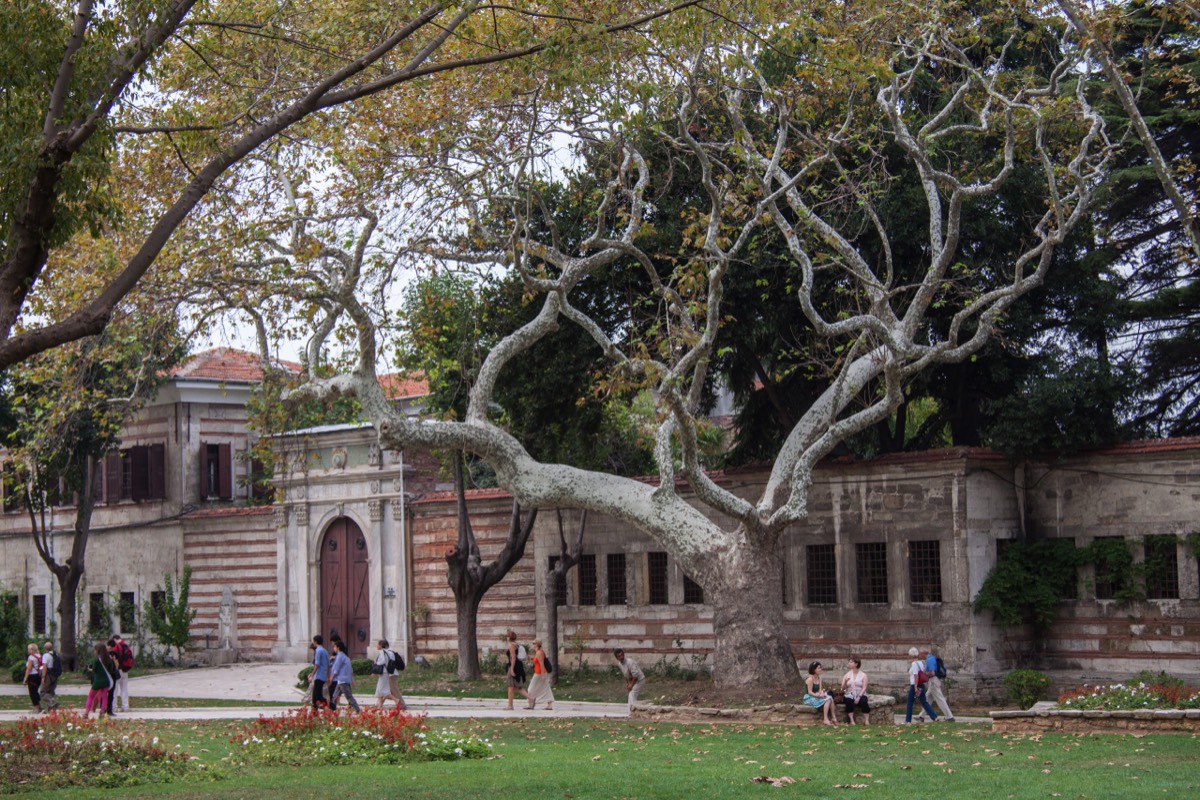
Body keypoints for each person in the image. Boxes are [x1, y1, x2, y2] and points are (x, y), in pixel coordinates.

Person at [918, 646, 955, 722]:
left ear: (923, 653)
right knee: (927, 699)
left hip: (933, 681)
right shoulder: (932, 658)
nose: (920, 656)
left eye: (920, 654)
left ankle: (949, 717)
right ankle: (921, 716)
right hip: (933, 681)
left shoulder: (929, 660)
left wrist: (924, 673)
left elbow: (932, 672)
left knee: (940, 699)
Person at [904, 647, 938, 724]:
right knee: (924, 702)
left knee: (910, 703)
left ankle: (908, 720)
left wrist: (915, 686)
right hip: (921, 685)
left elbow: (916, 675)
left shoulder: (914, 663)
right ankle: (934, 717)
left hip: (915, 685)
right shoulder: (921, 663)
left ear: (911, 655)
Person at [329, 639, 361, 713]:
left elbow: (336, 669)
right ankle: (331, 709)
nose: (333, 648)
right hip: (342, 680)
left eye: (334, 647)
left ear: (338, 648)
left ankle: (358, 710)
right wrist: (352, 680)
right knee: (334, 695)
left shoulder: (340, 657)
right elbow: (350, 670)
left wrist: (331, 678)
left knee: (348, 696)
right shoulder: (345, 657)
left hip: (342, 680)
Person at [85, 642, 115, 718]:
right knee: (104, 697)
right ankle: (102, 712)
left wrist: (90, 669)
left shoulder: (96, 660)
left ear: (98, 650)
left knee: (90, 696)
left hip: (98, 681)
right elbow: (111, 669)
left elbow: (95, 670)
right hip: (106, 681)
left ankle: (86, 712)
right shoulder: (109, 659)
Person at [803, 661, 837, 725]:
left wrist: (822, 694)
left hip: (816, 696)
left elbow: (819, 690)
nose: (820, 669)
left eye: (820, 668)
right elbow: (809, 692)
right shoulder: (810, 679)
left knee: (830, 698)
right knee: (828, 700)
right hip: (809, 698)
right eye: (819, 668)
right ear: (814, 670)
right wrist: (817, 695)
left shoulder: (819, 678)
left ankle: (833, 717)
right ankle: (825, 719)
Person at [373, 639, 404, 709]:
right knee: (381, 690)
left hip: (387, 673)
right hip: (390, 672)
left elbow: (382, 662)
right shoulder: (391, 652)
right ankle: (379, 705)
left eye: (378, 644)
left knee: (386, 690)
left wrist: (376, 665)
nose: (376, 646)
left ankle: (399, 703)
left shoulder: (383, 652)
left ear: (381, 645)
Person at [526, 639, 555, 710]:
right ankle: (549, 704)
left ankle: (531, 703)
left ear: (537, 644)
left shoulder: (539, 653)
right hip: (538, 672)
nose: (533, 644)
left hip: (539, 673)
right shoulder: (537, 652)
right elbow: (538, 662)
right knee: (546, 687)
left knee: (530, 689)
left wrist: (542, 675)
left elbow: (542, 664)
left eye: (534, 643)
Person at [505, 630, 530, 710]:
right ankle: (531, 698)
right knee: (518, 686)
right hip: (519, 666)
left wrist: (512, 669)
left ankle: (510, 705)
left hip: (514, 666)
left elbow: (513, 658)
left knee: (510, 686)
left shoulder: (511, 645)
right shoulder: (517, 644)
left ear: (509, 637)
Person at [840, 657, 870, 725]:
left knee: (864, 701)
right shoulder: (847, 675)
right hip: (849, 694)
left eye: (851, 662)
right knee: (849, 700)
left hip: (860, 693)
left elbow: (864, 687)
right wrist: (845, 682)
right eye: (849, 662)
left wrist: (859, 697)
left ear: (856, 664)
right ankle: (852, 720)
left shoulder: (863, 675)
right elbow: (842, 688)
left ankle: (866, 720)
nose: (849, 663)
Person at [112, 634, 134, 712]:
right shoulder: (126, 646)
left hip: (118, 670)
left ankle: (113, 707)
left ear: (115, 639)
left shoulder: (116, 647)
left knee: (114, 689)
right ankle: (125, 706)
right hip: (125, 670)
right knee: (124, 689)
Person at [309, 634, 331, 709]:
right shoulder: (325, 651)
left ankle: (331, 705)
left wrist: (312, 674)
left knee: (318, 695)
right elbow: (328, 665)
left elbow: (317, 664)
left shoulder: (318, 651)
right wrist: (328, 676)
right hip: (323, 675)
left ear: (315, 642)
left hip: (318, 676)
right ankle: (314, 712)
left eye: (314, 642)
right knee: (314, 696)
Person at [39, 640, 60, 713]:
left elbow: (45, 667)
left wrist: (43, 677)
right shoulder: (55, 655)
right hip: (54, 675)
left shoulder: (46, 655)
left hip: (48, 675)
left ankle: (52, 702)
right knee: (50, 691)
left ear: (45, 648)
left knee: (43, 692)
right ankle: (51, 709)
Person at [23, 643, 42, 711]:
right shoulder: (39, 656)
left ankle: (36, 708)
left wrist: (25, 678)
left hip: (32, 676)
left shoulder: (31, 657)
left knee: (32, 693)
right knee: (35, 691)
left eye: (28, 649)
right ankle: (40, 706)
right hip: (38, 676)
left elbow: (29, 669)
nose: (28, 650)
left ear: (31, 650)